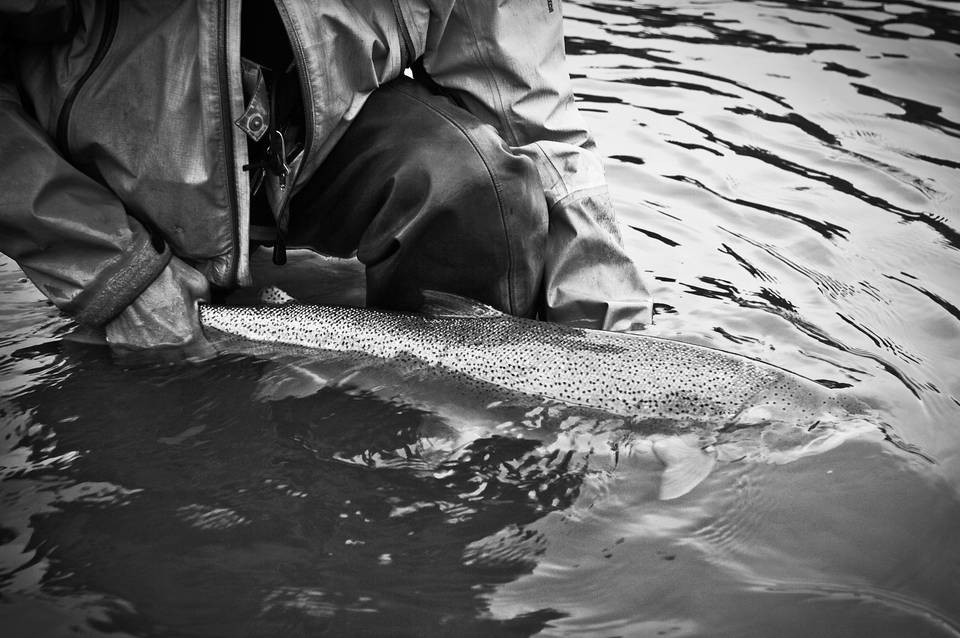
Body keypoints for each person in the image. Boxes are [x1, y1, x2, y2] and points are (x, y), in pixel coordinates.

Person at [0, 1, 652, 352]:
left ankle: (436, 442)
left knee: (474, 178)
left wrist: (617, 340)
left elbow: (532, 120)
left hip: (304, 149)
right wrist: (112, 274)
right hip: (118, 171)